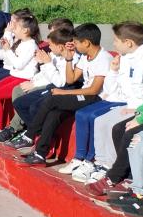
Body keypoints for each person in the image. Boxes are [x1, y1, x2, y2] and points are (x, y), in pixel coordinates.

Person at [58, 22, 143, 181]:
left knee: (107, 123)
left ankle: (105, 164)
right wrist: (113, 70)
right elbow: (111, 88)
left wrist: (137, 109)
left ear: (128, 43)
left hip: (132, 104)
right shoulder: (123, 57)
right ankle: (90, 161)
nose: (113, 44)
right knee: (89, 117)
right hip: (118, 99)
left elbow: (141, 87)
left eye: (116, 40)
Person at [18, 24, 112, 166]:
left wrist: (64, 92)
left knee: (52, 99)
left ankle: (29, 135)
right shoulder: (86, 56)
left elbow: (93, 90)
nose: (74, 45)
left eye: (76, 42)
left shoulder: (103, 59)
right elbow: (70, 79)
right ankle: (40, 153)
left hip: (96, 99)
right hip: (85, 95)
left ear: (86, 43)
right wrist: (69, 59)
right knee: (54, 114)